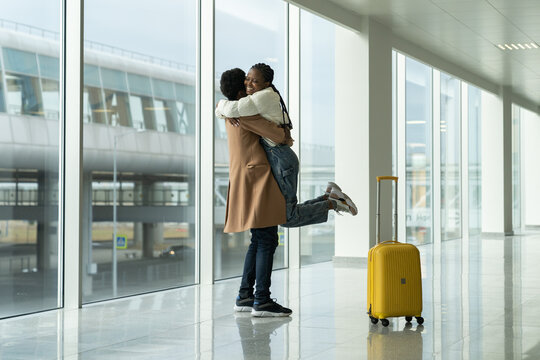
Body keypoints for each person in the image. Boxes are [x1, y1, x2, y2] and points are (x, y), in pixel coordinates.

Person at [216, 63, 357, 229]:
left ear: (266, 84)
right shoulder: (257, 100)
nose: (249, 83)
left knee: (287, 217)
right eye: (247, 79)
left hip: (281, 158)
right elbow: (231, 108)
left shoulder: (260, 99)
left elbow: (236, 109)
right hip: (280, 158)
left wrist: (221, 109)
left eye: (255, 81)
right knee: (286, 213)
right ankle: (330, 198)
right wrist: (222, 110)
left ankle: (332, 203)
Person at [219, 68, 293, 317]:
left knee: (259, 239)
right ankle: (261, 299)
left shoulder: (230, 111)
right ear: (241, 90)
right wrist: (284, 134)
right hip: (257, 177)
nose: (250, 86)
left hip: (246, 176)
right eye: (247, 82)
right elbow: (279, 135)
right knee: (267, 239)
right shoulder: (246, 113)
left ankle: (245, 295)